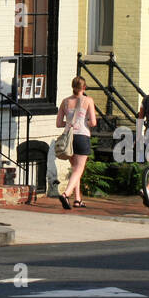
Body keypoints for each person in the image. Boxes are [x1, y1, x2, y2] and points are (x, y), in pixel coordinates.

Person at [54, 76, 98, 208]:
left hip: (69, 137)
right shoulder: (88, 100)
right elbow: (93, 122)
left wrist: (69, 123)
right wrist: (85, 122)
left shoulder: (65, 102)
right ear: (84, 87)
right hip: (82, 136)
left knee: (74, 169)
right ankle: (66, 194)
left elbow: (58, 123)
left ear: (72, 86)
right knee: (79, 169)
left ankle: (78, 199)